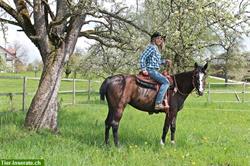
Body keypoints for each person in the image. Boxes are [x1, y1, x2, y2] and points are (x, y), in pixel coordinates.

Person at [139, 32, 171, 110]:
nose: (160, 40)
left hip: (154, 70)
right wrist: (143, 69)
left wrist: (165, 61)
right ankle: (158, 103)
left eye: (161, 39)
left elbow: (156, 62)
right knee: (166, 82)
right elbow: (142, 57)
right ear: (154, 39)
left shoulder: (155, 48)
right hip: (151, 70)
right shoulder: (151, 47)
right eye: (159, 38)